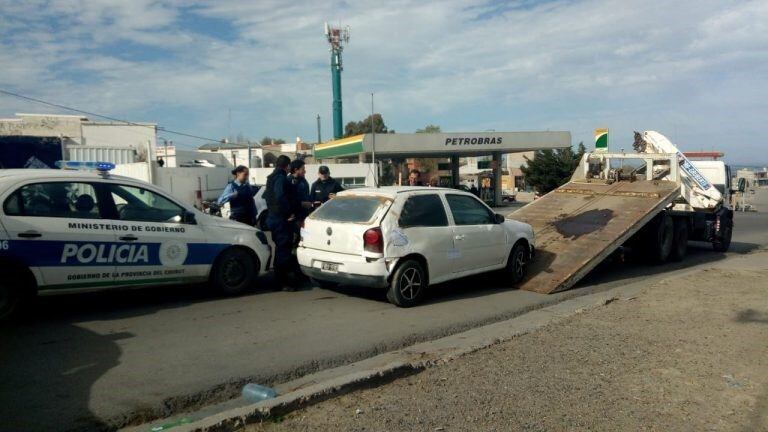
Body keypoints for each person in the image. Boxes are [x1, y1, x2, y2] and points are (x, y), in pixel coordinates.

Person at [263, 155, 297, 289]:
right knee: (283, 249)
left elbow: (266, 196)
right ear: (287, 166)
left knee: (280, 249)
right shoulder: (280, 178)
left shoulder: (271, 178)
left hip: (273, 217)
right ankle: (283, 282)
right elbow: (280, 196)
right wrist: (288, 213)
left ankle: (279, 279)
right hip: (280, 219)